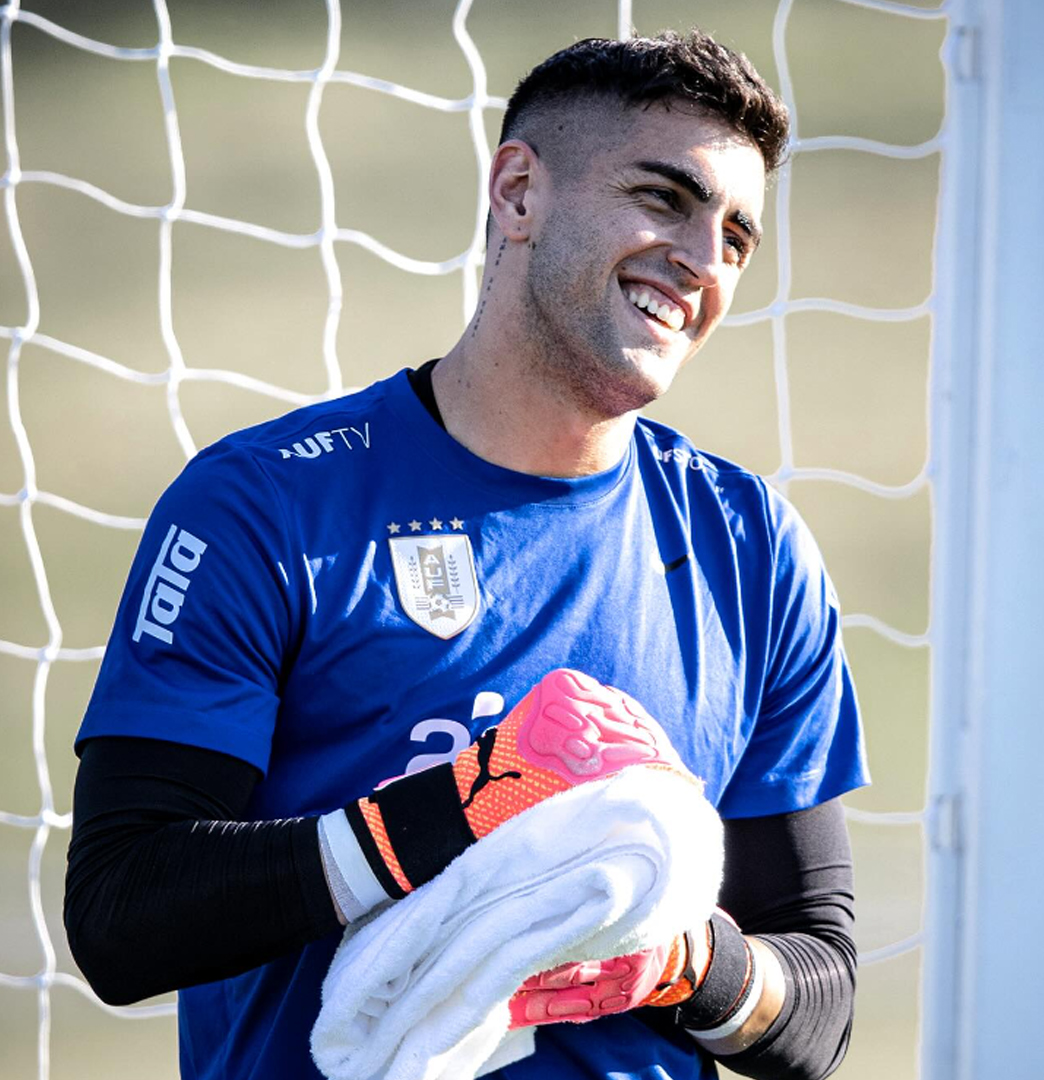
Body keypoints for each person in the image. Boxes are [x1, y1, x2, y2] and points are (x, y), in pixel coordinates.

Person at [64, 31, 866, 1080]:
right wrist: (462, 808)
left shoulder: (754, 553)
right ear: (519, 194)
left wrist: (673, 956)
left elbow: (822, 1001)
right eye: (664, 198)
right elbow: (123, 916)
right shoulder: (265, 506)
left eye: (735, 237)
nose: (703, 260)